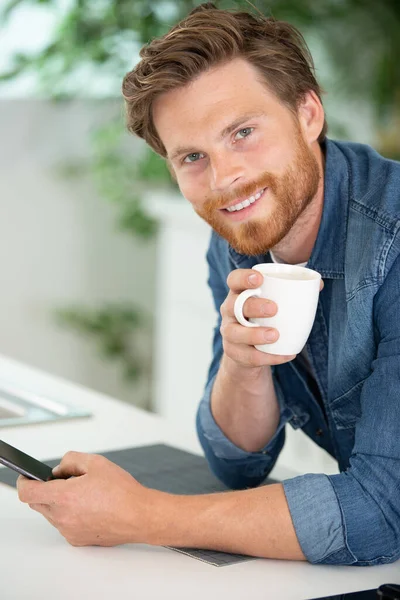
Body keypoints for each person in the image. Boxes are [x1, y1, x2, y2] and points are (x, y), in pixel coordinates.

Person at [17, 3, 400, 566]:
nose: (224, 180)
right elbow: (237, 463)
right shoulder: (238, 236)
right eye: (193, 156)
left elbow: (382, 514)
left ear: (309, 114)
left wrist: (139, 514)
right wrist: (243, 366)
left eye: (243, 132)